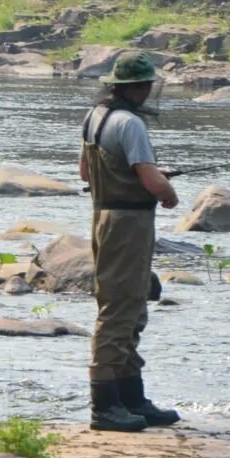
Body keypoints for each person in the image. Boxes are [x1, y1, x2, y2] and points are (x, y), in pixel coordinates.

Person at [77, 51, 181, 432]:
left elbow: (86, 172)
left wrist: (143, 174)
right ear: (139, 88)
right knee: (119, 311)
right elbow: (156, 186)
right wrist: (167, 190)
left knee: (131, 308)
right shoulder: (131, 124)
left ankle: (132, 398)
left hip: (103, 218)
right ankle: (104, 406)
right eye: (148, 85)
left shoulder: (96, 117)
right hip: (129, 225)